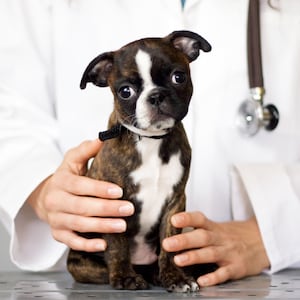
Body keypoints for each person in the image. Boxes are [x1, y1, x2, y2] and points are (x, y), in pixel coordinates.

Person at [1, 0, 300, 288]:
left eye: (177, 77)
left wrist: (275, 232)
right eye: (128, 90)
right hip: (95, 276)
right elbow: (9, 107)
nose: (155, 98)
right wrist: (42, 191)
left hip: (260, 275)